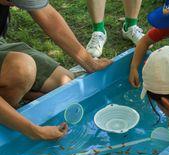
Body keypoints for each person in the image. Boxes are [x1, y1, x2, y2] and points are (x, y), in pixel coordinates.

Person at [0, 0, 112, 140]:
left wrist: (90, 63)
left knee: (65, 83)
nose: (14, 5)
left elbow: (49, 18)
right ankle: (12, 109)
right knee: (22, 69)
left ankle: (20, 95)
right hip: (21, 65)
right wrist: (35, 131)